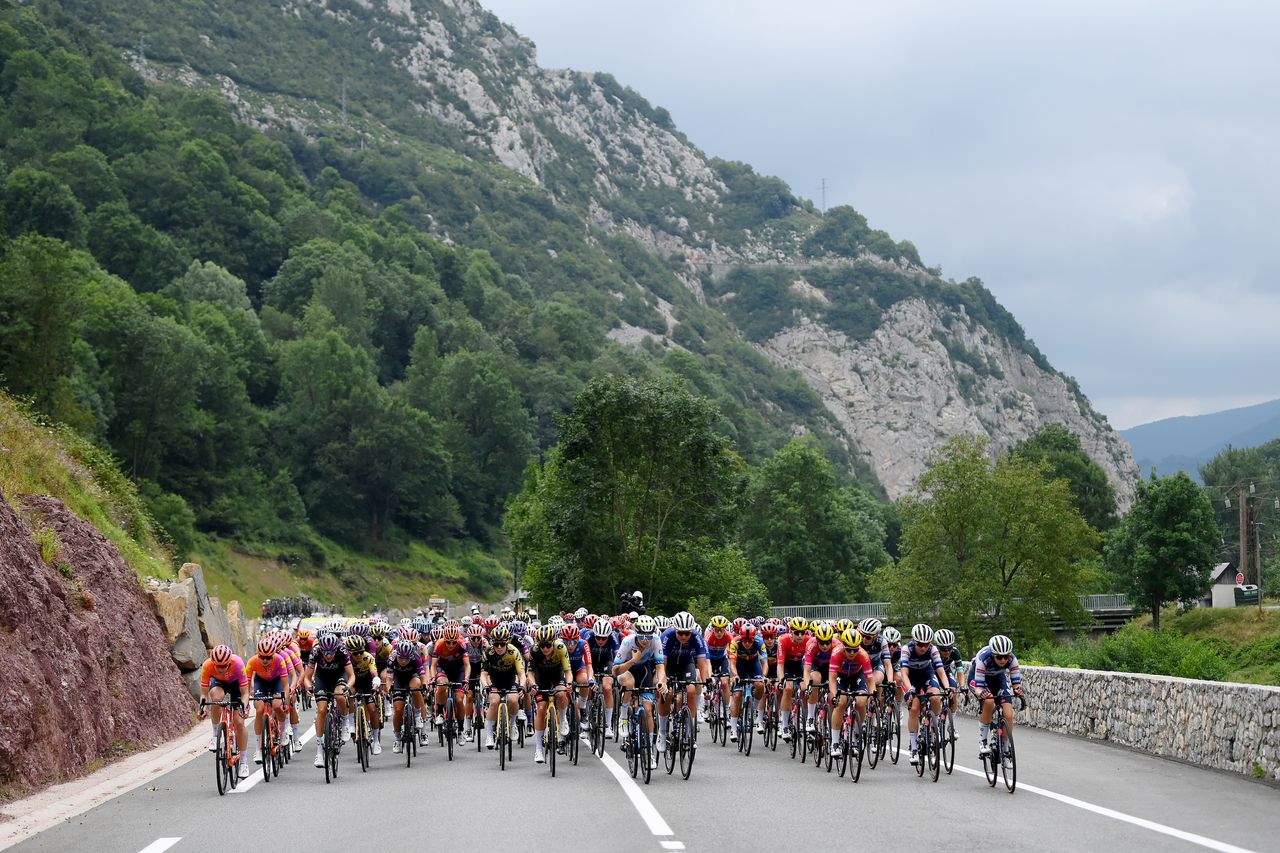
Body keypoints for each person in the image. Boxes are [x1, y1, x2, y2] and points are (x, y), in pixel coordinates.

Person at [613, 614, 665, 769]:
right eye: (642, 635)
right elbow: (615, 670)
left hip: (644, 672)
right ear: (636, 633)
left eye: (648, 636)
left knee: (648, 710)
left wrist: (661, 680)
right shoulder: (627, 642)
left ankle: (649, 751)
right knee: (629, 682)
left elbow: (660, 666)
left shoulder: (655, 640)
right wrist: (633, 660)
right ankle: (623, 716)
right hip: (626, 671)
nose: (645, 640)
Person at [898, 624, 949, 766]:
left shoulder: (932, 650)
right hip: (911, 678)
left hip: (927, 673)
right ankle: (914, 747)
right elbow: (904, 674)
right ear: (914, 642)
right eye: (920, 644)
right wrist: (910, 689)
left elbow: (940, 671)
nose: (923, 648)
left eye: (926, 644)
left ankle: (934, 725)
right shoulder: (906, 650)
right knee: (914, 708)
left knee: (936, 697)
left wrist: (948, 687)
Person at [199, 644, 252, 779]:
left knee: (239, 722)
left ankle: (244, 762)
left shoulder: (238, 663)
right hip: (218, 683)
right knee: (216, 698)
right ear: (213, 663)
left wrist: (243, 707)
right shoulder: (207, 666)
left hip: (236, 685)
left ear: (229, 662)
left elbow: (245, 693)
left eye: (224, 666)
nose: (221, 669)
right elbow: (204, 695)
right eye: (218, 666)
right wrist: (203, 707)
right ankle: (215, 734)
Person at [305, 633, 355, 768]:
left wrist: (348, 687)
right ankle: (319, 751)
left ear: (336, 649)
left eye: (331, 652)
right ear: (321, 649)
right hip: (322, 678)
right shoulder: (315, 651)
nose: (328, 655)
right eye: (325, 652)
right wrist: (309, 687)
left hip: (339, 676)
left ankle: (345, 722)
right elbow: (307, 677)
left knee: (339, 695)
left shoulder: (342, 650)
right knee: (321, 710)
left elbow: (351, 676)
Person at [970, 634, 1023, 756]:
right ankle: (982, 741)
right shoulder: (983, 658)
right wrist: (981, 693)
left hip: (998, 679)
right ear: (993, 654)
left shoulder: (1012, 659)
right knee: (988, 701)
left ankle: (1005, 747)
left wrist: (1018, 690)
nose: (1003, 660)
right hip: (979, 680)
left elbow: (1016, 684)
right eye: (999, 657)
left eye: (1006, 657)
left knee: (1008, 714)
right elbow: (978, 687)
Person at [527, 624, 572, 764]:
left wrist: (568, 684)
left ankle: (563, 719)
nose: (545, 649)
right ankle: (539, 749)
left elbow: (567, 671)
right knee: (541, 709)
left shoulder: (560, 647)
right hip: (541, 676)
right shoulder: (534, 651)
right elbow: (530, 673)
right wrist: (533, 685)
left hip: (556, 673)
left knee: (561, 694)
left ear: (553, 642)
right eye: (542, 646)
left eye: (548, 645)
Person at [480, 624, 525, 749]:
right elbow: (483, 674)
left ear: (507, 642)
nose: (499, 647)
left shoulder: (514, 651)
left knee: (513, 699)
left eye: (502, 644)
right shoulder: (488, 652)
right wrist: (485, 686)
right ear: (492, 643)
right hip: (495, 678)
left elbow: (521, 673)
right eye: (496, 644)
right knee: (494, 701)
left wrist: (521, 686)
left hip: (510, 677)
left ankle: (512, 724)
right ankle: (489, 735)